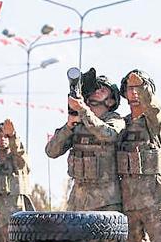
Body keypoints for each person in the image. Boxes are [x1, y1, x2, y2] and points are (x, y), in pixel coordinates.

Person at [116, 70, 161, 242]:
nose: (134, 92)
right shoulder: (122, 124)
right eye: (130, 88)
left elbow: (154, 110)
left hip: (155, 199)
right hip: (128, 201)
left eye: (139, 88)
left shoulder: (155, 121)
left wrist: (144, 89)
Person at [46, 74, 125, 213]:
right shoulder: (78, 123)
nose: (96, 91)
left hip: (106, 202)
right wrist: (69, 126)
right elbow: (51, 151)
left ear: (111, 101)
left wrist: (83, 110)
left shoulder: (115, 120)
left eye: (102, 90)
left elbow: (109, 134)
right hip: (78, 202)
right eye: (95, 88)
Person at [0, 119, 35, 242]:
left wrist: (13, 136)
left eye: (6, 136)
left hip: (17, 217)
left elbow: (20, 156)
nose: (3, 139)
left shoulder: (17, 160)